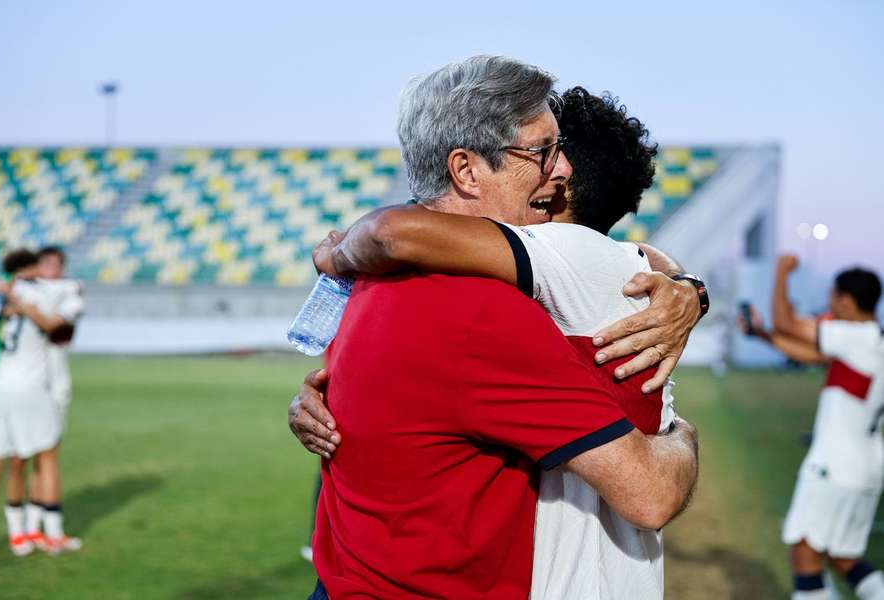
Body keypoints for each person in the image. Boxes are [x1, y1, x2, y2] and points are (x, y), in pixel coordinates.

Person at [293, 56, 700, 600]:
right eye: (541, 152)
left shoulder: (371, 284)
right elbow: (649, 495)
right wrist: (683, 438)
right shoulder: (482, 313)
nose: (560, 171)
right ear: (465, 170)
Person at [741, 255, 884, 600]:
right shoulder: (872, 341)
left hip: (834, 467)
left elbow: (786, 322)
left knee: (805, 554)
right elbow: (810, 353)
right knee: (844, 556)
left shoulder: (855, 336)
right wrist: (761, 334)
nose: (830, 306)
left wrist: (781, 271)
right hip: (867, 470)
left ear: (847, 301)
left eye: (834, 298)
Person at [0, 249, 82, 558]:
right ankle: (38, 532)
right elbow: (55, 321)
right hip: (33, 387)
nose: (49, 269)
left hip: (11, 386)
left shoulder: (9, 290)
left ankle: (28, 530)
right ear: (33, 267)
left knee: (9, 460)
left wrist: (7, 294)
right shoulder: (46, 293)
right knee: (31, 457)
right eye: (44, 264)